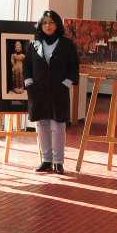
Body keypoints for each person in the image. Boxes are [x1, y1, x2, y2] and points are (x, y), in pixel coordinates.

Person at [23, 10, 79, 175]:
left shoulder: (67, 44)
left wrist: (67, 83)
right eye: (45, 22)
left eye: (51, 22)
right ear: (41, 25)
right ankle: (46, 160)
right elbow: (27, 65)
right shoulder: (34, 44)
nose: (48, 25)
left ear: (57, 24)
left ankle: (58, 162)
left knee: (58, 126)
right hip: (38, 91)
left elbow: (74, 66)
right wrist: (29, 82)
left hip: (58, 90)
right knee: (42, 125)